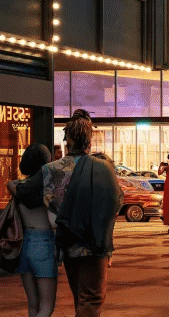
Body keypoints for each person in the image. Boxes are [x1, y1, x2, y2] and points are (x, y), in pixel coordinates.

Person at [42, 109, 123, 317]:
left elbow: (47, 203)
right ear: (89, 142)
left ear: (67, 141)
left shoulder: (50, 170)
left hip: (67, 243)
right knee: (92, 299)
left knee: (80, 297)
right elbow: (116, 201)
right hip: (94, 244)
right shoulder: (103, 168)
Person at [6, 144, 56, 317]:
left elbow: (10, 184)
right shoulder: (47, 189)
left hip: (25, 244)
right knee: (47, 306)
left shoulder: (20, 187)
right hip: (44, 243)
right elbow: (53, 221)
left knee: (33, 303)